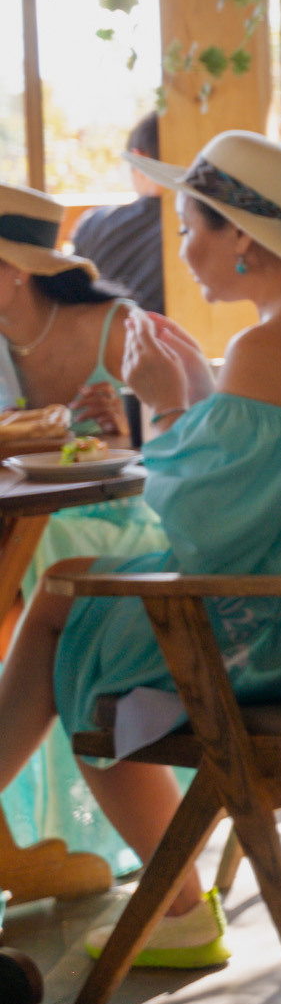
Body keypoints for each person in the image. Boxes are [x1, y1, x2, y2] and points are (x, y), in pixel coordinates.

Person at [0, 131, 281, 967]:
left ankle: (183, 910)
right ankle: (180, 905)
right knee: (65, 593)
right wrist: (194, 401)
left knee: (68, 619)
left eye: (193, 226)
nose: (182, 247)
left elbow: (187, 525)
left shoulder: (270, 346)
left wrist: (168, 405)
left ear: (240, 237)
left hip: (267, 634)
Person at [0, 184, 172, 876]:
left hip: (124, 518)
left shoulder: (118, 325)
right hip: (28, 520)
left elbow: (182, 447)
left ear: (15, 272)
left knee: (49, 563)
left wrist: (126, 426)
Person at [67, 114, 168, 316]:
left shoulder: (94, 222)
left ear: (140, 160)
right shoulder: (198, 227)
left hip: (94, 342)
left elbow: (67, 299)